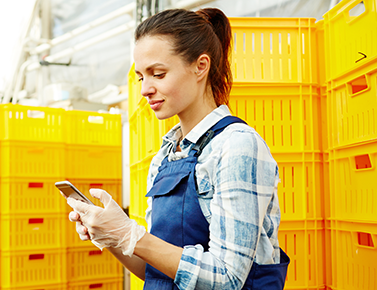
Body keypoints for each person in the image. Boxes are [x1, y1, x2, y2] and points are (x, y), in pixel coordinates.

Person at [66, 7, 290, 290]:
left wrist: (133, 236)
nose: (145, 88)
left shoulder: (237, 146)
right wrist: (113, 235)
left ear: (200, 66)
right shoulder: (165, 156)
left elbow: (229, 279)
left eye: (157, 74)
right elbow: (156, 271)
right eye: (141, 77)